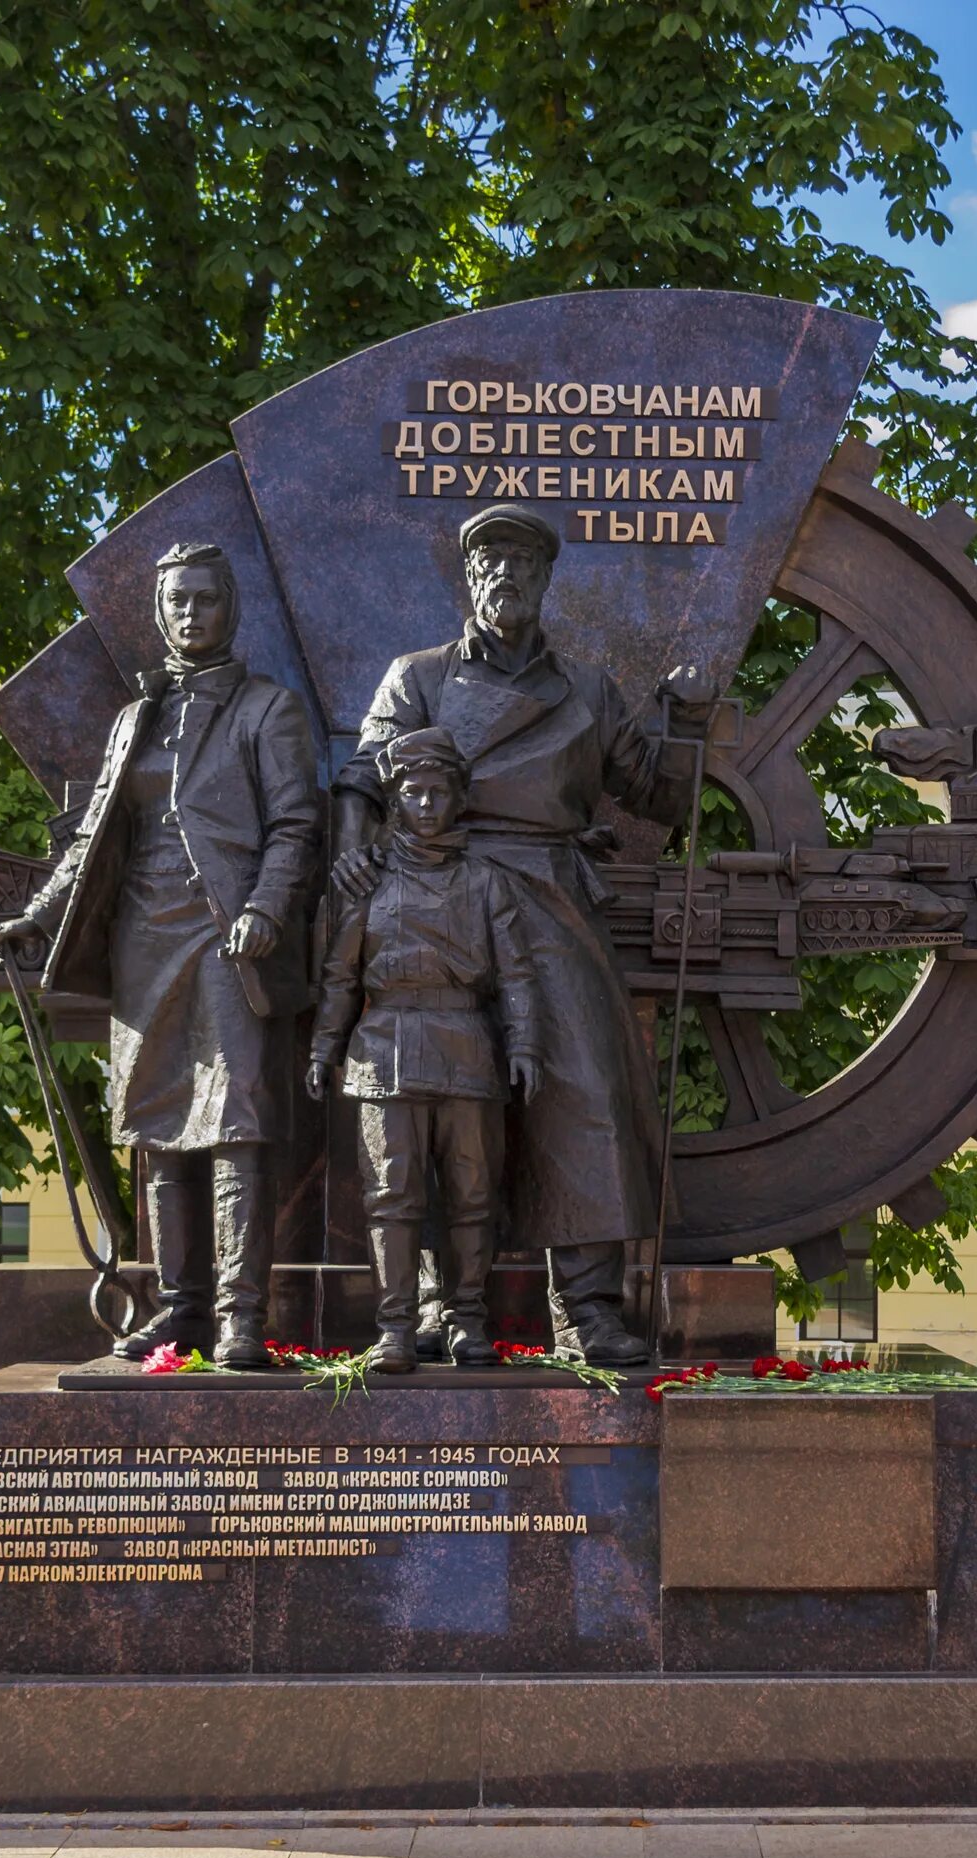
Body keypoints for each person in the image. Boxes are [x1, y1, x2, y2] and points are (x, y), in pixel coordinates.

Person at [331, 505, 713, 1367]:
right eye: (490, 562)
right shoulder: (419, 675)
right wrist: (355, 859)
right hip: (436, 892)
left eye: (523, 564)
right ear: (469, 580)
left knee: (582, 1094)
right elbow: (364, 772)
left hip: (552, 900)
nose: (505, 576)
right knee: (431, 1098)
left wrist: (686, 724)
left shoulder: (586, 688)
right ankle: (432, 1306)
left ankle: (586, 1310)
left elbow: (658, 798)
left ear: (545, 582)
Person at [0, 543, 323, 1368]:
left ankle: (243, 1315)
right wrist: (37, 916)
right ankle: (181, 1310)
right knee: (162, 1130)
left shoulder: (267, 710)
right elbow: (95, 835)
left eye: (206, 599)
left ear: (230, 608)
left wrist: (265, 910)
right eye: (176, 600)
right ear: (158, 612)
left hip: (227, 940)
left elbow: (296, 827)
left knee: (238, 1124)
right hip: (144, 938)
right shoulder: (135, 719)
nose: (190, 613)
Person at [307, 730, 541, 1373]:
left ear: (460, 799)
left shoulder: (487, 882)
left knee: (473, 1196)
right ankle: (396, 1328)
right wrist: (323, 1050)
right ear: (394, 802)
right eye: (413, 793)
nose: (428, 805)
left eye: (440, 792)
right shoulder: (367, 882)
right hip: (384, 1054)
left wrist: (523, 1045)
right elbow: (340, 977)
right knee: (393, 1197)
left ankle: (467, 1320)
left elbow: (517, 973)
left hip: (468, 1050)